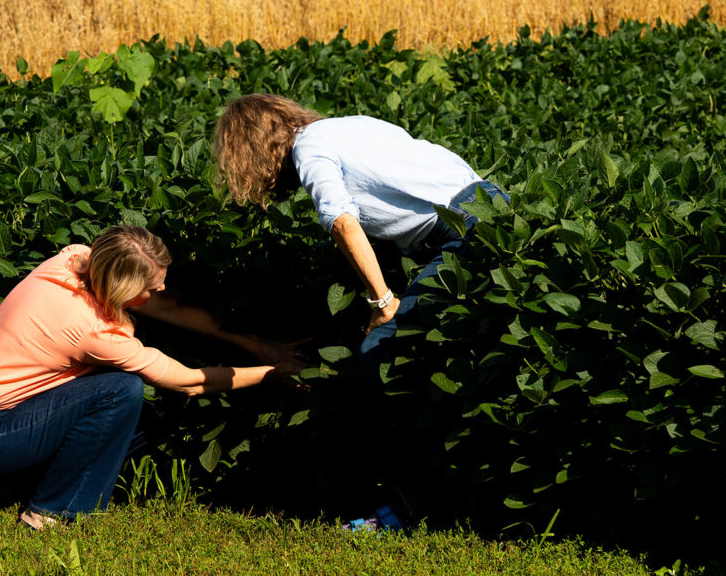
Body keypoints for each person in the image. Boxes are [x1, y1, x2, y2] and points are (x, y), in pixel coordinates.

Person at [0, 225, 301, 530]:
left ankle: (24, 487)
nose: (160, 289)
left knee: (140, 419)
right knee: (121, 391)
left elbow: (166, 308)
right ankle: (49, 514)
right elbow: (189, 382)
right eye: (151, 285)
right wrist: (273, 373)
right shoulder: (92, 331)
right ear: (124, 286)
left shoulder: (74, 260)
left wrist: (254, 344)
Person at [212, 94, 509, 379]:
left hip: (459, 224)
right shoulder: (350, 125)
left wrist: (382, 302)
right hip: (489, 202)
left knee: (380, 353)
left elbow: (342, 222)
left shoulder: (308, 148)